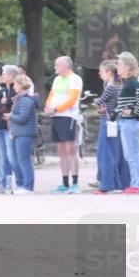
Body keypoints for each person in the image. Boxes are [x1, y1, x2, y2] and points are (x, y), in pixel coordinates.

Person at [45, 56, 83, 194]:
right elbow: (51, 94)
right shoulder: (57, 79)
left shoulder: (75, 79)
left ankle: (75, 182)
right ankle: (65, 182)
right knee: (61, 150)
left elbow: (72, 99)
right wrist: (48, 106)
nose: (55, 67)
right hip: (56, 117)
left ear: (65, 66)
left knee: (70, 149)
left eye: (57, 65)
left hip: (68, 116)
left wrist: (56, 108)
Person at [116, 52, 139, 194]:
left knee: (133, 154)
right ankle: (137, 183)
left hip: (131, 123)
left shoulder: (133, 82)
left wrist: (135, 113)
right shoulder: (127, 82)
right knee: (130, 155)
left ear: (128, 67)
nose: (117, 67)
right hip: (126, 122)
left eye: (120, 64)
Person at [93, 60, 123, 194]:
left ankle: (108, 184)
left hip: (107, 120)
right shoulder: (118, 85)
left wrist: (96, 102)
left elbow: (99, 101)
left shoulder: (111, 87)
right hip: (114, 119)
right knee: (113, 152)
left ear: (109, 72)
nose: (100, 74)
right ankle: (116, 183)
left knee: (105, 153)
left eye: (101, 71)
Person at [9, 75, 39, 194]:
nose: (14, 87)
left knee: (24, 160)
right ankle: (21, 184)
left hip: (25, 133)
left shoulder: (26, 99)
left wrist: (10, 116)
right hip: (18, 132)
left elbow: (23, 118)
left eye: (16, 84)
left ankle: (28, 186)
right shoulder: (20, 99)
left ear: (21, 85)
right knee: (17, 160)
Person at [0, 65, 19, 193]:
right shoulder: (1, 90)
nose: (2, 75)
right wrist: (1, 103)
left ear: (11, 76)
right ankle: (3, 183)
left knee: (11, 156)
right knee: (2, 156)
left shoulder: (16, 90)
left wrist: (5, 102)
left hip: (10, 127)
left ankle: (13, 183)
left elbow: (13, 103)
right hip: (0, 125)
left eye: (4, 73)